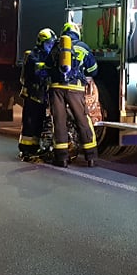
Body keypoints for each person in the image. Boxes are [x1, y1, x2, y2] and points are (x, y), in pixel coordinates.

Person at [46, 22, 99, 167]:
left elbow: (48, 67)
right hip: (75, 88)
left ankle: (61, 158)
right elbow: (93, 70)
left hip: (56, 88)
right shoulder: (83, 47)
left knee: (59, 122)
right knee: (82, 120)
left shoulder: (56, 46)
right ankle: (91, 157)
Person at [17, 28, 56, 161]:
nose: (50, 46)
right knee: (29, 123)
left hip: (41, 96)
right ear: (41, 42)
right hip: (32, 95)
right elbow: (36, 71)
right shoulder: (32, 55)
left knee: (39, 123)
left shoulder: (48, 56)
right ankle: (25, 149)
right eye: (48, 44)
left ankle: (35, 147)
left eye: (52, 44)